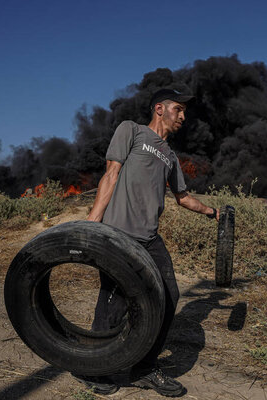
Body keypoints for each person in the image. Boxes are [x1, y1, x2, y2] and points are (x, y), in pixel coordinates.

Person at [78, 89, 219, 396]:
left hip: (150, 239)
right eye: (178, 110)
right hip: (119, 233)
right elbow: (111, 174)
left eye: (184, 112)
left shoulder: (170, 156)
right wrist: (92, 225)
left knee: (168, 296)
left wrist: (213, 212)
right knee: (114, 302)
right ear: (160, 109)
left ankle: (143, 368)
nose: (183, 117)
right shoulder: (132, 130)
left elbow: (182, 197)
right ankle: (96, 368)